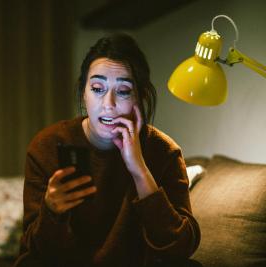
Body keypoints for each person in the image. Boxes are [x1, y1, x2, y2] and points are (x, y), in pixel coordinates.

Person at [14, 33, 201, 267]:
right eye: (97, 88)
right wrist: (51, 211)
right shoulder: (47, 146)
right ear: (84, 93)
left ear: (140, 98)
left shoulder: (163, 152)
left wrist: (140, 170)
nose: (108, 104)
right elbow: (34, 250)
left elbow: (180, 248)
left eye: (123, 91)